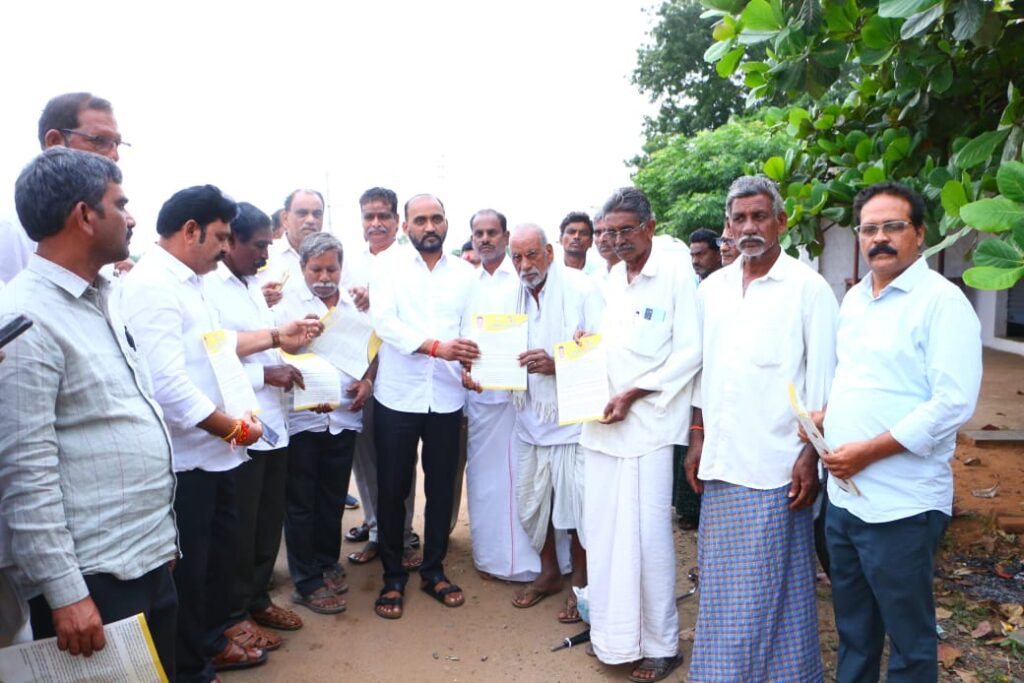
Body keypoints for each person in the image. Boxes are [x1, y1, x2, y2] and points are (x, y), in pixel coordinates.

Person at [121, 185, 321, 682]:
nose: (226, 248)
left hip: (217, 453)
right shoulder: (152, 285)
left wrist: (275, 335)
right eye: (221, 237)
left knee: (214, 563)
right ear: (191, 231)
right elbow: (167, 386)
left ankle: (209, 645)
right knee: (191, 573)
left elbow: (217, 344)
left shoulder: (190, 282)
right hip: (187, 460)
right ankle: (194, 666)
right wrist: (232, 429)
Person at [0, 148, 178, 671]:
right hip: (92, 583)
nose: (131, 217)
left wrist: (162, 542)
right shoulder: (25, 318)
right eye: (120, 204)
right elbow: (25, 470)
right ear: (84, 215)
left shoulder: (105, 297)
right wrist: (65, 592)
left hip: (144, 557)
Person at [821, 182, 982, 682]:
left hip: (901, 506)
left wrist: (869, 451)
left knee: (909, 643)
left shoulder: (941, 303)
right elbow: (859, 378)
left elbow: (953, 402)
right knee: (854, 631)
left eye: (893, 226)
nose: (879, 238)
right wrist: (827, 417)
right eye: (869, 229)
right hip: (845, 500)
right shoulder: (854, 300)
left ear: (919, 233)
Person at [685, 175, 837, 682]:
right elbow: (703, 371)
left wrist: (810, 457)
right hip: (722, 462)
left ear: (781, 221)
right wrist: (697, 437)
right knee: (723, 586)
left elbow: (821, 387)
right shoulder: (713, 289)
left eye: (759, 217)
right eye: (739, 219)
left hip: (778, 467)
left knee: (774, 589)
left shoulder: (809, 289)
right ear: (728, 226)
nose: (749, 227)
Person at [578, 188, 700, 682]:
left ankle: (662, 645)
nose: (615, 240)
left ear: (649, 227)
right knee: (604, 535)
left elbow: (691, 352)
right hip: (600, 426)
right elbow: (609, 344)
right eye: (608, 232)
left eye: (625, 230)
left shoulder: (675, 275)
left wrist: (634, 392)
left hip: (648, 428)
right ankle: (615, 637)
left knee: (649, 541)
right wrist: (586, 348)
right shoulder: (610, 277)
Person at [369, 193, 479, 619]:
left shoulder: (465, 273)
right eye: (420, 220)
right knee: (393, 488)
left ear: (447, 222)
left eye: (436, 219)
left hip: (447, 396)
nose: (429, 227)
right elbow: (385, 323)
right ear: (405, 226)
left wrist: (470, 365)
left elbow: (471, 329)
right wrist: (435, 347)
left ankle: (433, 570)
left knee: (441, 487)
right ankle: (393, 576)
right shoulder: (387, 265)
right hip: (398, 395)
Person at [203, 202, 305, 649]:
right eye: (259, 246)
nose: (266, 254)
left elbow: (267, 345)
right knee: (239, 530)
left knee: (268, 521)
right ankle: (233, 614)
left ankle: (258, 599)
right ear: (230, 242)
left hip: (274, 421)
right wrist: (267, 374)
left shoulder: (252, 287)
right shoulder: (210, 290)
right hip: (239, 425)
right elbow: (210, 360)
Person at [499, 223, 602, 621]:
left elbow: (603, 349)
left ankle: (579, 582)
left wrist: (558, 364)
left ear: (550, 253)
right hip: (529, 419)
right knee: (532, 504)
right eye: (517, 257)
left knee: (577, 510)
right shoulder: (510, 297)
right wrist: (482, 372)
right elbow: (499, 353)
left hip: (573, 422)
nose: (525, 264)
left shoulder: (583, 289)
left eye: (532, 254)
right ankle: (548, 573)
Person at [274, 232, 374, 615]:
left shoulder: (354, 304)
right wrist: (294, 341)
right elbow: (275, 352)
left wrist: (367, 382)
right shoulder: (286, 305)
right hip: (303, 418)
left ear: (341, 267)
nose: (324, 277)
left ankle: (326, 561)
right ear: (302, 267)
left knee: (332, 497)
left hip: (344, 415)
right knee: (301, 501)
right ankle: (305, 581)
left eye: (331, 268)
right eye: (316, 269)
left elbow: (371, 351)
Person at [460, 209, 544, 582]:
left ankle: (531, 562)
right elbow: (459, 336)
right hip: (480, 399)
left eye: (492, 232)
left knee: (523, 479)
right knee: (486, 482)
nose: (485, 239)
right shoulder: (467, 283)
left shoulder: (523, 279)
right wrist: (463, 370)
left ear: (506, 237)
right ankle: (491, 558)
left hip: (520, 399)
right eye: (478, 233)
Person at [342, 188, 420, 569]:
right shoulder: (348, 263)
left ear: (397, 221)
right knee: (365, 458)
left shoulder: (411, 262)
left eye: (383, 216)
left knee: (398, 459)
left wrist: (377, 301)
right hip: (358, 371)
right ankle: (376, 529)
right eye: (368, 216)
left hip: (398, 373)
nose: (375, 224)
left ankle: (402, 535)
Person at [1, 92, 131, 288]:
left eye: (117, 144)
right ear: (54, 142)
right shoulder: (12, 231)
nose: (114, 155)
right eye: (99, 141)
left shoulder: (102, 235)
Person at [258, 189, 326, 307]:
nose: (311, 220)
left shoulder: (335, 258)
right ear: (285, 218)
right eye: (302, 213)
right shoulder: (265, 254)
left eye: (317, 214)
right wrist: (257, 300)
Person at [591, 211, 620, 277]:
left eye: (609, 232)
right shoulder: (595, 278)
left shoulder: (638, 275)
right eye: (598, 233)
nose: (602, 239)